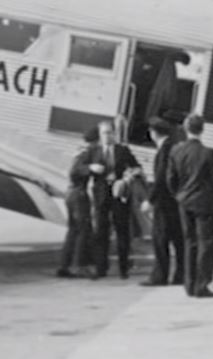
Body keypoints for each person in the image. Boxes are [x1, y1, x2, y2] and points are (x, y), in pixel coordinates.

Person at [166, 114, 213, 298]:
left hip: (184, 201)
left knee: (189, 242)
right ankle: (202, 283)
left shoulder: (176, 151)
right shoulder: (208, 153)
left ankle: (189, 283)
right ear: (202, 129)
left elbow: (170, 179)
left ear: (185, 128)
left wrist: (179, 195)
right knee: (206, 242)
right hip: (204, 202)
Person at [92, 118, 141, 279]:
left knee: (122, 231)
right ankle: (101, 268)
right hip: (101, 194)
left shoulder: (123, 150)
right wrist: (90, 167)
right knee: (101, 231)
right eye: (104, 133)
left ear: (114, 134)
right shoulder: (94, 151)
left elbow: (137, 168)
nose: (107, 136)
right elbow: (79, 168)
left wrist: (127, 178)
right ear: (100, 135)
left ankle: (123, 268)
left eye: (109, 133)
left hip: (119, 195)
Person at [140, 115, 184, 287]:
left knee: (160, 240)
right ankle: (181, 274)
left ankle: (160, 276)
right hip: (174, 202)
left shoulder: (163, 151)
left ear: (153, 133)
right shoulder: (173, 147)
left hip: (164, 204)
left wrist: (150, 200)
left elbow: (160, 179)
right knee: (178, 239)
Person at [56, 127, 103, 278]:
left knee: (73, 230)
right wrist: (91, 168)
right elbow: (75, 171)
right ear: (97, 140)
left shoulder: (81, 151)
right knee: (83, 231)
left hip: (71, 194)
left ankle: (65, 265)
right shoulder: (87, 153)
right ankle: (78, 266)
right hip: (78, 195)